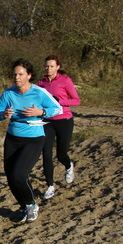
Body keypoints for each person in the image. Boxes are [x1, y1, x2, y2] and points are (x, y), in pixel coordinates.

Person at [0, 59, 62, 223]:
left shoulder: (39, 92)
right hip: (12, 138)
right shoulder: (8, 93)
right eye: (15, 74)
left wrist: (41, 111)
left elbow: (58, 108)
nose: (17, 77)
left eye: (20, 74)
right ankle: (23, 207)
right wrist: (2, 115)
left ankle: (31, 205)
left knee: (19, 175)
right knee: (10, 177)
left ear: (29, 76)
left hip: (34, 138)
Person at [38, 55, 80, 199]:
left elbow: (76, 101)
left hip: (64, 120)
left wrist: (60, 101)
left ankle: (68, 166)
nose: (48, 69)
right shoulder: (41, 83)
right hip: (47, 121)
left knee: (61, 154)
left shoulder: (65, 81)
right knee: (46, 153)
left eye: (51, 66)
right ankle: (50, 186)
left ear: (58, 67)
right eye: (46, 66)